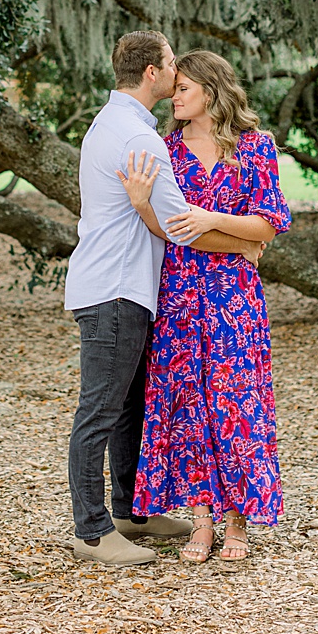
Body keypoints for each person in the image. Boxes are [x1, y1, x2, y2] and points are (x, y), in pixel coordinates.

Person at [64, 31, 268, 566]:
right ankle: (92, 531)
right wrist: (246, 242)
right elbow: (181, 228)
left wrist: (247, 235)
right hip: (121, 287)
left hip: (140, 287)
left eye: (187, 78)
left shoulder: (118, 126)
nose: (177, 80)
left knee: (132, 404)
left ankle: (133, 510)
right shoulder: (147, 141)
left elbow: (192, 222)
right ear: (152, 73)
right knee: (103, 409)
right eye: (172, 67)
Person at [118, 49, 291, 563]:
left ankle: (238, 521)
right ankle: (201, 521)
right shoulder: (165, 151)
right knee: (189, 405)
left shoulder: (255, 149)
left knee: (236, 405)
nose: (175, 95)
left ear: (212, 92)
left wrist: (209, 218)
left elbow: (268, 225)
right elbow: (170, 232)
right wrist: (144, 204)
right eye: (175, 87)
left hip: (235, 299)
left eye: (185, 87)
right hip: (178, 296)